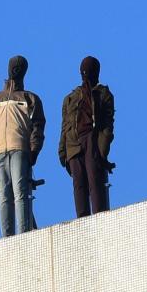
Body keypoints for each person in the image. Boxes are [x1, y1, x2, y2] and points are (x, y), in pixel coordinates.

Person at [0, 58, 46, 236]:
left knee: (20, 193)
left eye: (20, 67)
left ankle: (24, 234)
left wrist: (34, 149)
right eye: (14, 67)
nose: (16, 69)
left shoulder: (30, 98)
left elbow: (38, 126)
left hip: (19, 149)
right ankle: (7, 237)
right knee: (3, 196)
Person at [59, 56, 115, 217]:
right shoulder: (70, 98)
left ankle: (100, 219)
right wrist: (62, 152)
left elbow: (107, 125)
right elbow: (65, 126)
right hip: (73, 145)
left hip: (92, 141)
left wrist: (101, 151)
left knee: (96, 184)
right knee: (79, 186)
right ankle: (82, 223)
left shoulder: (103, 94)